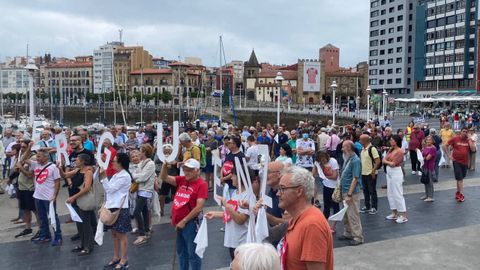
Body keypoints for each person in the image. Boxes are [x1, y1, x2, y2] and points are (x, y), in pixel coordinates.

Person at [277, 166, 334, 270]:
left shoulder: (311, 225)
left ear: (299, 191)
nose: (278, 193)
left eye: (282, 189)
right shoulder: (297, 219)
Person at [160, 158, 208, 270]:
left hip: (190, 223)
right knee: (181, 252)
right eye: (185, 169)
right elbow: (164, 177)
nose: (186, 172)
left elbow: (199, 207)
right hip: (178, 222)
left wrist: (184, 221)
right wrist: (164, 167)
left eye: (190, 170)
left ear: (197, 171)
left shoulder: (202, 184)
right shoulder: (182, 180)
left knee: (192, 253)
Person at [205, 167, 249, 260]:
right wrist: (215, 214)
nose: (231, 178)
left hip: (242, 241)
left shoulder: (247, 195)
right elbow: (231, 214)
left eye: (233, 176)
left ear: (240, 177)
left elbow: (240, 220)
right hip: (232, 240)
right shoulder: (235, 193)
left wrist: (226, 205)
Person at [24, 147, 63, 246]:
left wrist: (55, 195)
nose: (37, 159)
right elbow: (24, 159)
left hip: (49, 197)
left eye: (39, 157)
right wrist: (29, 147)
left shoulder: (53, 167)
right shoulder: (35, 165)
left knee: (53, 217)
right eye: (36, 156)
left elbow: (57, 182)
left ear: (46, 157)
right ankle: (45, 235)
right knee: (42, 217)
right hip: (38, 196)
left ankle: (58, 236)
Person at [100, 153, 132, 270]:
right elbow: (109, 191)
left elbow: (110, 190)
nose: (112, 163)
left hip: (120, 208)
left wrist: (104, 178)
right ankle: (116, 256)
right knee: (114, 234)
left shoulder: (124, 176)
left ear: (121, 163)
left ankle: (124, 259)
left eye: (114, 161)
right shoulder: (116, 175)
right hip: (112, 206)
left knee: (121, 235)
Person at [61, 154, 96, 256]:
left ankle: (88, 246)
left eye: (77, 160)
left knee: (86, 224)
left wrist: (73, 197)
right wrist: (60, 168)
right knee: (79, 224)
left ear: (83, 161)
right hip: (76, 200)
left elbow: (87, 188)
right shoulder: (77, 170)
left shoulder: (88, 172)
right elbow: (64, 175)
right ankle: (83, 244)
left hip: (82, 200)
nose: (75, 161)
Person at [338, 140, 364, 246]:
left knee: (353, 215)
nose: (342, 149)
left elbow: (355, 178)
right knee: (346, 214)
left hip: (351, 192)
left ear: (349, 148)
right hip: (345, 190)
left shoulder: (355, 160)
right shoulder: (348, 159)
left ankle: (358, 237)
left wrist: (349, 194)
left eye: (343, 147)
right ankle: (348, 232)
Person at [13, 140, 40, 239]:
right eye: (21, 147)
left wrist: (21, 168)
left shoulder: (33, 158)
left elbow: (30, 175)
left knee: (35, 209)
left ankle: (40, 229)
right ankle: (28, 228)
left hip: (30, 188)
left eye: (24, 147)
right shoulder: (23, 156)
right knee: (25, 209)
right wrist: (18, 168)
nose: (22, 149)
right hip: (22, 187)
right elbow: (18, 169)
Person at [131, 144, 156, 245]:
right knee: (144, 210)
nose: (139, 153)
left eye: (140, 151)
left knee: (137, 211)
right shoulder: (142, 163)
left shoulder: (150, 164)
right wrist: (137, 176)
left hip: (146, 189)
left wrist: (136, 176)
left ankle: (142, 234)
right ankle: (146, 230)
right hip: (141, 189)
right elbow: (136, 174)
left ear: (144, 152)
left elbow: (142, 178)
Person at [312, 151, 339, 233]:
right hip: (326, 186)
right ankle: (325, 225)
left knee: (335, 207)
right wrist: (316, 165)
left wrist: (324, 176)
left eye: (323, 159)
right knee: (326, 206)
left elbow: (335, 176)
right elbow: (313, 174)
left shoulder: (333, 161)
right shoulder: (318, 163)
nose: (323, 161)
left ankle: (333, 226)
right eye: (320, 160)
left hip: (335, 187)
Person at [383, 135, 408, 223]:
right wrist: (387, 161)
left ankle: (403, 215)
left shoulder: (400, 151)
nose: (390, 141)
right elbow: (384, 160)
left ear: (396, 141)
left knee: (397, 193)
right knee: (390, 192)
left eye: (392, 140)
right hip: (389, 172)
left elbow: (393, 163)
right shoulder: (390, 149)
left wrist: (387, 161)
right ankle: (394, 212)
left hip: (396, 172)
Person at [448, 127, 476, 202]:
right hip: (456, 161)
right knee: (460, 178)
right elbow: (445, 145)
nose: (465, 133)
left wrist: (470, 139)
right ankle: (461, 194)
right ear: (460, 132)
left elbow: (473, 149)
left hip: (465, 162)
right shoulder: (455, 139)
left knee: (460, 178)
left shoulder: (468, 140)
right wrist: (449, 156)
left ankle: (457, 192)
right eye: (463, 131)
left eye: (466, 132)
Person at [359, 134, 381, 215]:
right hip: (364, 173)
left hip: (370, 174)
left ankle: (374, 207)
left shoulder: (372, 149)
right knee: (366, 191)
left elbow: (378, 160)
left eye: (361, 140)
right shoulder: (363, 149)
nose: (359, 141)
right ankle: (367, 206)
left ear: (365, 141)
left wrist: (373, 171)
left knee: (372, 191)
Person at [158, 145, 178, 217]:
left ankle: (173, 212)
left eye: (169, 151)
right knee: (162, 196)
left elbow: (178, 165)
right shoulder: (162, 157)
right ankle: (161, 211)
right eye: (165, 152)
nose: (167, 153)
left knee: (174, 196)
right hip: (165, 179)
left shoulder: (175, 157)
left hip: (174, 178)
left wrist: (174, 163)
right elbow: (156, 161)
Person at [421, 136, 436, 202]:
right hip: (424, 166)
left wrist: (422, 158)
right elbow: (422, 154)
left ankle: (430, 196)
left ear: (432, 141)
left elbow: (428, 158)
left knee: (430, 182)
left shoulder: (433, 148)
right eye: (427, 140)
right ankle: (426, 195)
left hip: (430, 166)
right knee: (425, 181)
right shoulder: (425, 147)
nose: (428, 141)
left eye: (429, 140)